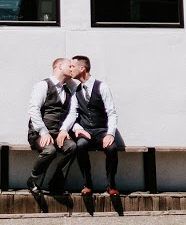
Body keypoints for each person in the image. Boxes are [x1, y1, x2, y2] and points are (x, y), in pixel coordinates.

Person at [69, 55, 122, 196]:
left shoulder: (102, 87)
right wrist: (78, 129)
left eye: (72, 66)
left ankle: (111, 185)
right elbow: (73, 115)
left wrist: (110, 133)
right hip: (85, 131)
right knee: (80, 145)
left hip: (102, 130)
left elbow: (111, 112)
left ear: (82, 68)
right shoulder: (75, 91)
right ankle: (87, 184)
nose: (70, 69)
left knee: (112, 148)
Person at [26, 57, 79, 197]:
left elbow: (72, 113)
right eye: (70, 66)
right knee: (50, 150)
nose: (73, 68)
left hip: (58, 133)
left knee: (72, 147)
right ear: (60, 66)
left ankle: (56, 184)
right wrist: (43, 132)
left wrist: (64, 130)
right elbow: (33, 110)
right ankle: (33, 181)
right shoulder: (43, 85)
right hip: (39, 133)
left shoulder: (69, 90)